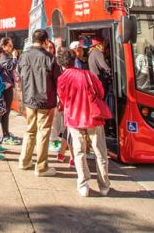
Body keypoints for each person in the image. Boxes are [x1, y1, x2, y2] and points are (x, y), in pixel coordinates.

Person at [57, 46, 112, 197]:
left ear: (60, 63)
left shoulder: (62, 79)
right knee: (100, 151)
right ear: (74, 59)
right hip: (93, 116)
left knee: (79, 151)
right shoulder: (88, 74)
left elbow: (63, 99)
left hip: (74, 118)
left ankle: (83, 184)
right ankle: (104, 185)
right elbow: (100, 92)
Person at [18, 28, 60, 177]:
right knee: (43, 133)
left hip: (29, 100)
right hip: (45, 101)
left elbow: (19, 75)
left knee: (30, 130)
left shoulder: (23, 56)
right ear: (45, 41)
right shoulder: (50, 58)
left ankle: (24, 161)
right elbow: (58, 80)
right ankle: (41, 167)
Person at [0, 37, 21, 146]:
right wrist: (15, 57)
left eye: (12, 45)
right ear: (3, 47)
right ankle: (5, 135)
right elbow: (11, 66)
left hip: (7, 86)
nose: (12, 47)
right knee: (5, 112)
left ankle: (6, 133)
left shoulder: (5, 56)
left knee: (6, 111)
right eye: (10, 45)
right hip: (5, 88)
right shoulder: (2, 56)